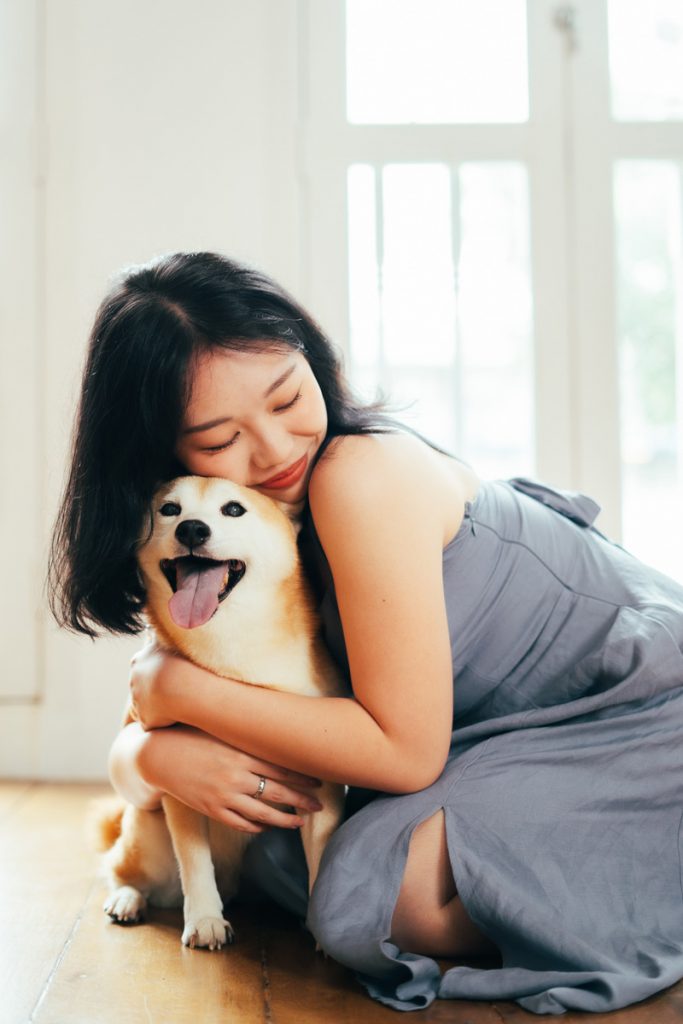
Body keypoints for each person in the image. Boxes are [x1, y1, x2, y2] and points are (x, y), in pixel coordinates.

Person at [49, 251, 683, 1015]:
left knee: (373, 895)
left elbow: (401, 752)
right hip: (491, 742)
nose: (278, 449)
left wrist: (170, 687)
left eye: (288, 397)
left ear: (312, 358)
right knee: (292, 840)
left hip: (634, 714)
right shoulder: (229, 544)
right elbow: (149, 742)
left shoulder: (356, 473)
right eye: (220, 440)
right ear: (160, 462)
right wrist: (149, 745)